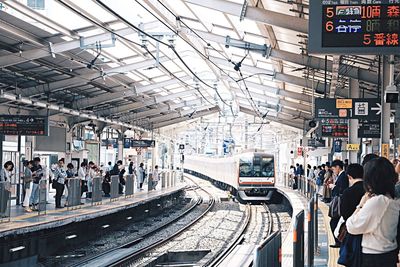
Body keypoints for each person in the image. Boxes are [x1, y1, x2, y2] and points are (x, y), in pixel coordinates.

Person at [346, 157, 400, 267]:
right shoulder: (392, 199)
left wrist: (361, 204)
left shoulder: (378, 202)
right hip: (389, 254)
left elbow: (352, 226)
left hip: (375, 257)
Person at [337, 163, 364, 267]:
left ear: (349, 176)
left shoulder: (347, 192)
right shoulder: (369, 190)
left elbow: (344, 213)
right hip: (368, 233)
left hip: (352, 231)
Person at [329, 160, 349, 248]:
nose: (334, 171)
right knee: (335, 222)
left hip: (340, 204)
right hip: (340, 203)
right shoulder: (341, 176)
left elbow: (343, 189)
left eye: (333, 169)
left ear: (337, 167)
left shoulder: (343, 176)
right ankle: (339, 241)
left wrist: (334, 187)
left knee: (334, 222)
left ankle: (339, 241)